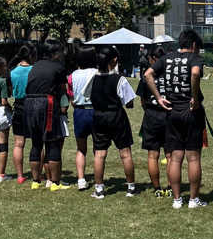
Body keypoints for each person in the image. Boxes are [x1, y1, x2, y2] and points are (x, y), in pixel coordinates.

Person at [145, 28, 207, 209]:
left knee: (176, 157)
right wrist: (194, 97)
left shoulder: (166, 58)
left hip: (171, 111)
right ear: (194, 45)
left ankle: (177, 199)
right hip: (190, 112)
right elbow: (195, 73)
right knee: (193, 158)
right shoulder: (195, 58)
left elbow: (148, 74)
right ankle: (194, 200)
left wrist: (158, 97)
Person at [89, 46, 137, 199]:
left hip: (98, 116)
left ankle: (99, 189)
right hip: (116, 116)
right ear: (114, 60)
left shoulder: (93, 77)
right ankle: (131, 187)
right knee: (125, 152)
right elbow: (129, 102)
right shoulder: (119, 79)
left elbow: (86, 95)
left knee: (100, 153)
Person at [23, 39, 69, 191]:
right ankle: (55, 183)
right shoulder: (58, 67)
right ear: (55, 53)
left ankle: (36, 181)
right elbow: (63, 90)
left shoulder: (35, 65)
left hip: (29, 102)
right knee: (52, 142)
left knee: (36, 142)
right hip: (47, 102)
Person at [138, 46, 171, 198]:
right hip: (169, 116)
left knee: (153, 155)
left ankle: (157, 188)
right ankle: (171, 187)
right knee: (171, 156)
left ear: (152, 59)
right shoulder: (171, 76)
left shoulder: (146, 77)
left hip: (151, 115)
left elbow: (142, 101)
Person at [70, 46, 98, 191]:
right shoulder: (97, 73)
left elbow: (71, 97)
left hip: (79, 112)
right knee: (98, 148)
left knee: (81, 149)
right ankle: (99, 178)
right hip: (95, 111)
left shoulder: (72, 75)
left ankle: (81, 179)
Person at [9, 45, 35, 184]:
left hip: (18, 106)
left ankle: (20, 175)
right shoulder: (34, 70)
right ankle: (37, 173)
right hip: (33, 105)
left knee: (18, 144)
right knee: (37, 142)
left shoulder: (13, 72)